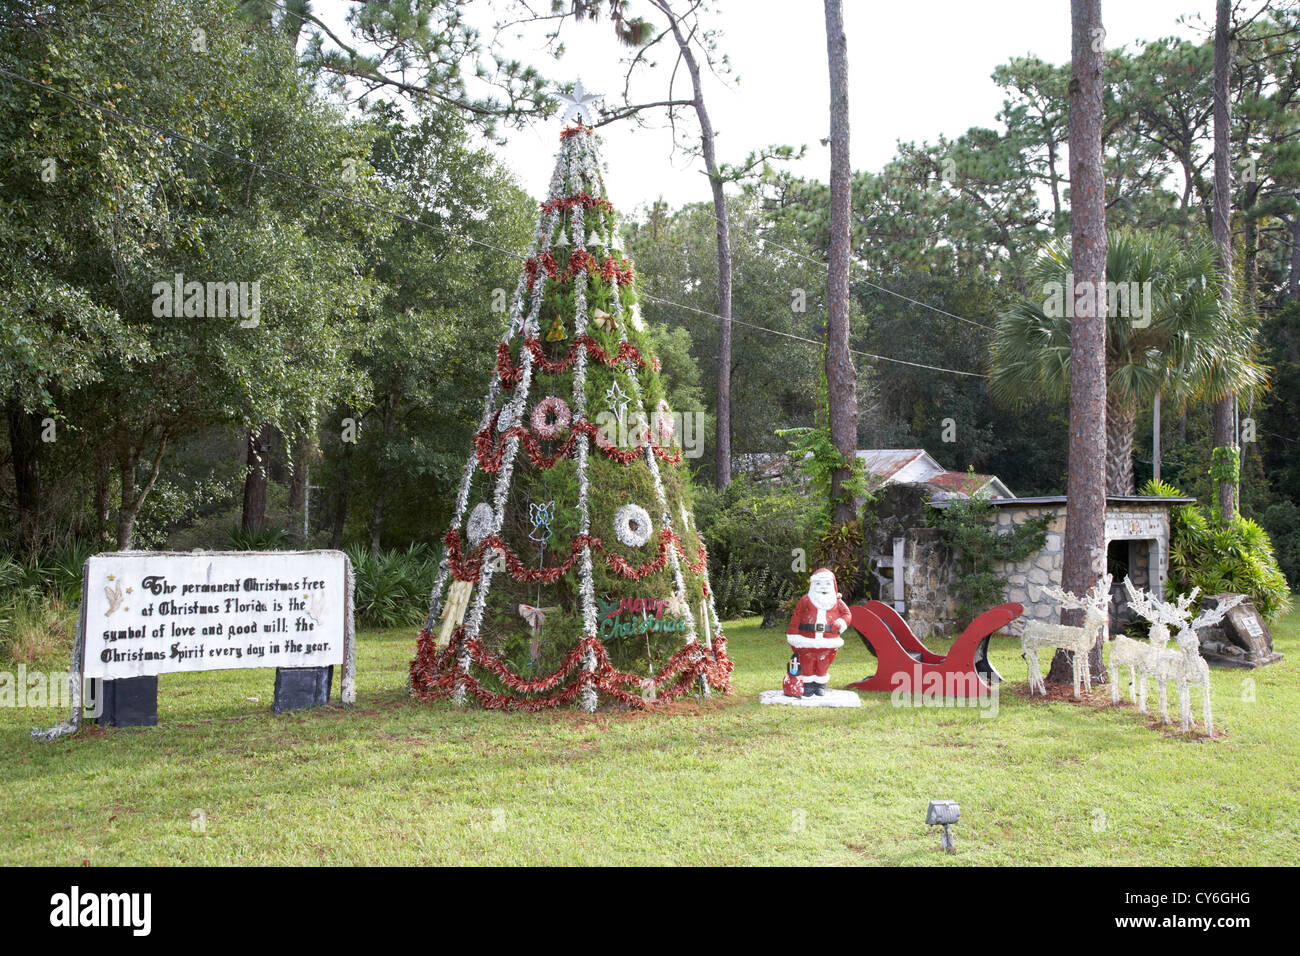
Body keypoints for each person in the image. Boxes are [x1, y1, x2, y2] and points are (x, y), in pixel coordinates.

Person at [785, 568, 849, 697]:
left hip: (828, 642)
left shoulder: (837, 602)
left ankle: (820, 686)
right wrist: (793, 634)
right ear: (813, 585)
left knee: (823, 663)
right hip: (807, 640)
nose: (822, 587)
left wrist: (841, 622)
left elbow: (847, 614)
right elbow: (796, 616)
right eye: (818, 584)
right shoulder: (806, 600)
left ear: (833, 585)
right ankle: (808, 686)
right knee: (807, 663)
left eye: (826, 584)